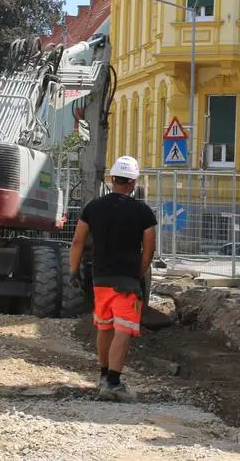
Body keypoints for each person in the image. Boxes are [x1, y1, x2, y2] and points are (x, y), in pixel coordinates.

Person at [69, 155, 156, 402]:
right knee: (123, 329)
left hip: (100, 278)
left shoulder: (93, 207)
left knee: (105, 327)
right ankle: (114, 384)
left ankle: (104, 376)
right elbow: (149, 249)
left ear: (112, 179)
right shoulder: (143, 211)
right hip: (126, 280)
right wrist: (138, 273)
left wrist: (73, 271)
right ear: (133, 183)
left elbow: (77, 242)